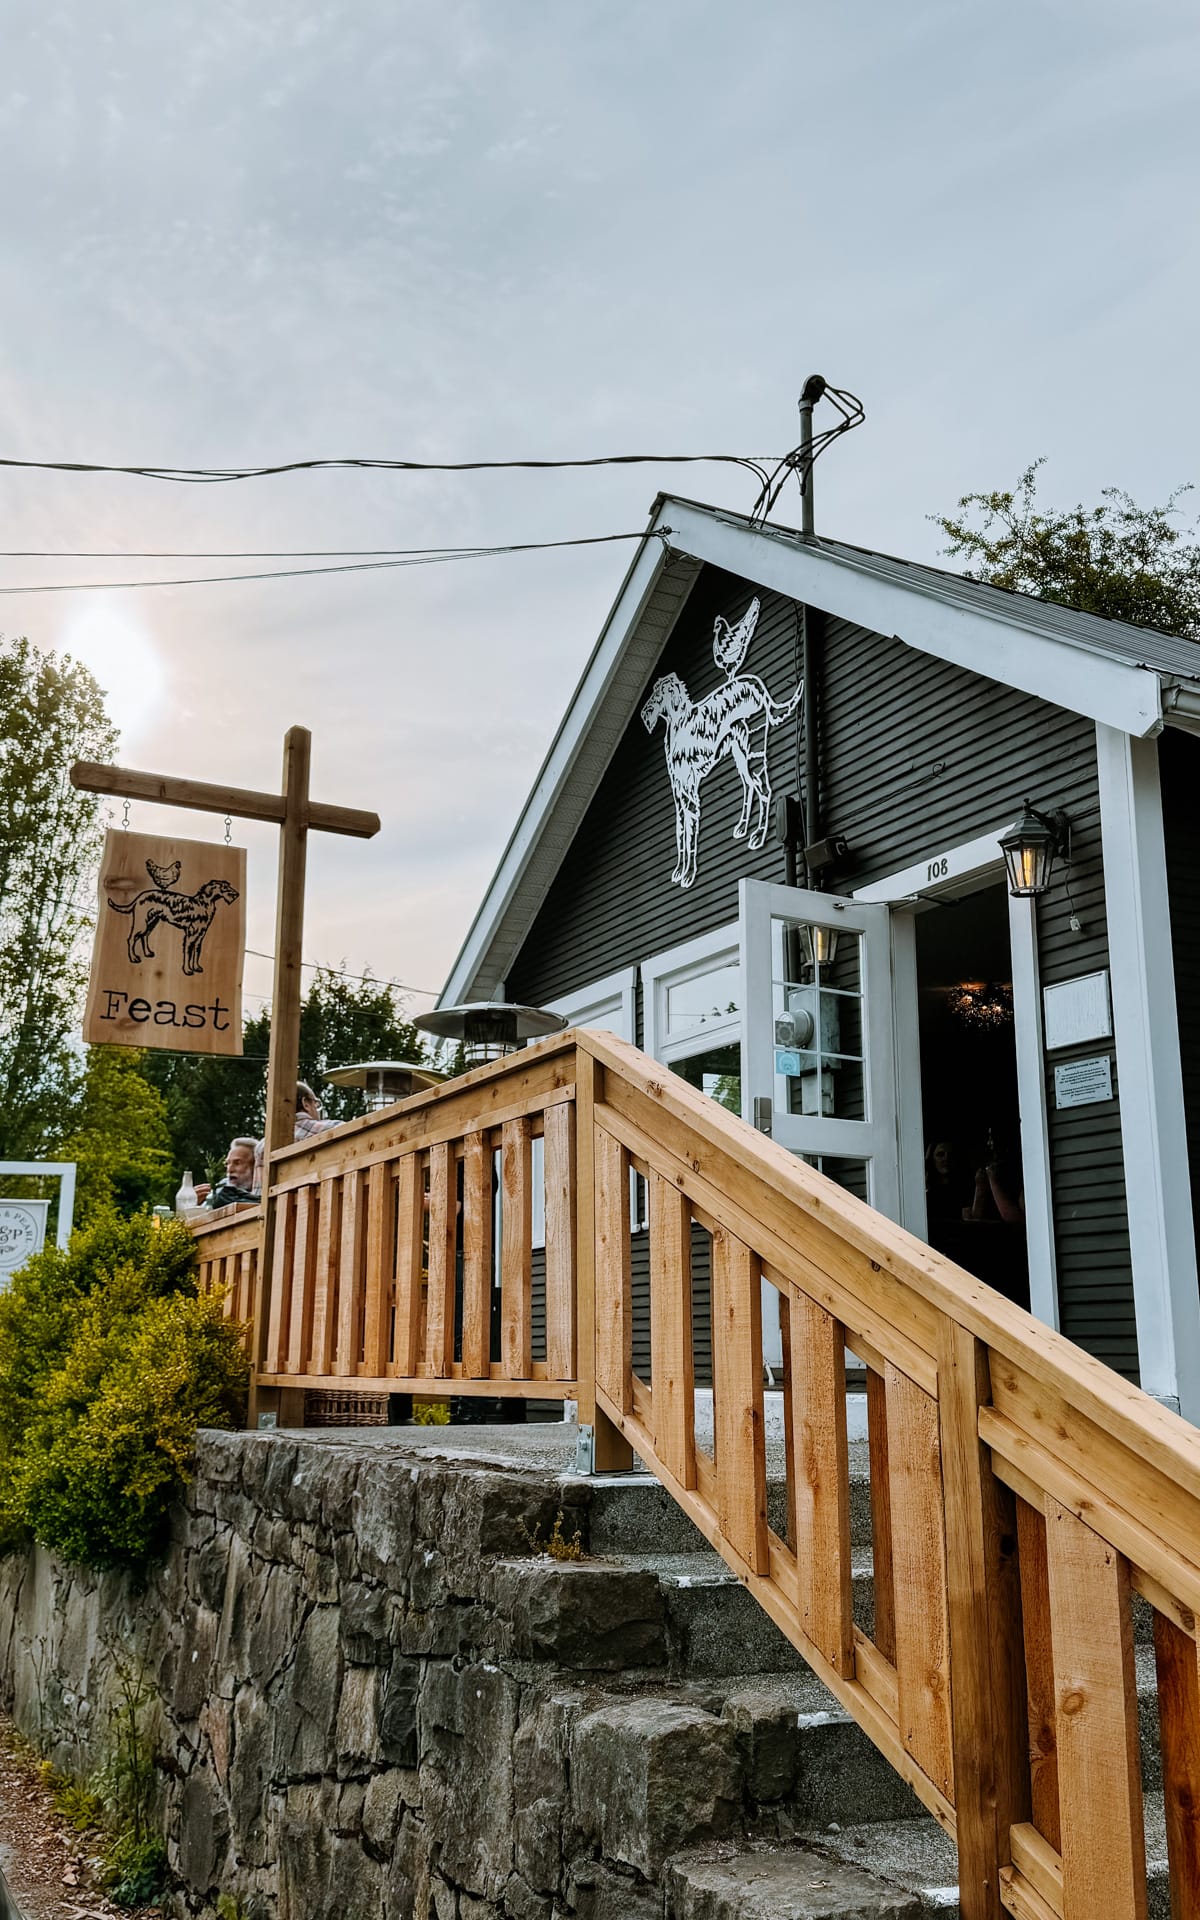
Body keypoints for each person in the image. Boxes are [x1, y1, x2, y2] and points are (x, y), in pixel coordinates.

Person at [253, 1082, 339, 1190]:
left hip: (279, 1206)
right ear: (305, 1103)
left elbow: (258, 1194)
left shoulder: (262, 1147)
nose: (317, 1109)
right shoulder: (332, 1128)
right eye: (315, 1103)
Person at [206, 1137, 261, 1209]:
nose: (229, 1169)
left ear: (255, 1165)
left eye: (237, 1163)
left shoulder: (266, 1190)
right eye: (227, 1163)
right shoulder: (221, 1188)